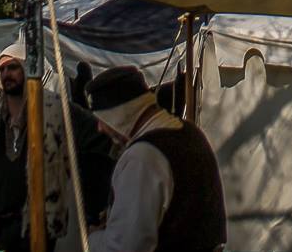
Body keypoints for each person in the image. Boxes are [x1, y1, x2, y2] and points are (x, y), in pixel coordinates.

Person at [0, 40, 105, 252]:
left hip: (39, 231)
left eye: (13, 67)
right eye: (2, 69)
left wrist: (92, 204)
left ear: (28, 69)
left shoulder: (58, 111)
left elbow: (103, 140)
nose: (6, 74)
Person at [86, 66, 227, 252]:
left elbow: (125, 247)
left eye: (103, 120)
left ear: (119, 115)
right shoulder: (190, 133)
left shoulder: (142, 157)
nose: (100, 129)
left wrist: (92, 238)